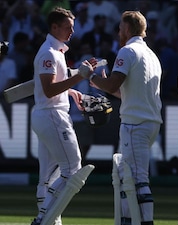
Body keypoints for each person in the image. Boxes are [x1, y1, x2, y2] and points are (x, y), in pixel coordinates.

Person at [89, 11, 163, 225]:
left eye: (120, 28)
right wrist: (100, 84)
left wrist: (90, 76)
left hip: (135, 124)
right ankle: (128, 220)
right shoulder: (151, 55)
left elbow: (112, 84)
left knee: (137, 178)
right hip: (149, 122)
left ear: (128, 29)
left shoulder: (127, 51)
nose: (118, 32)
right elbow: (125, 92)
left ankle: (144, 222)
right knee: (126, 176)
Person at [30, 7, 95, 225]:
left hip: (46, 115)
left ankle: (51, 221)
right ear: (54, 27)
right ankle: (43, 218)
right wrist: (79, 78)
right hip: (52, 115)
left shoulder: (55, 51)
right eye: (67, 27)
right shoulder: (49, 52)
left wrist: (73, 91)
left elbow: (51, 85)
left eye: (73, 27)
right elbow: (49, 89)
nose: (72, 32)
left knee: (48, 178)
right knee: (73, 169)